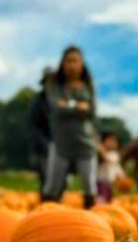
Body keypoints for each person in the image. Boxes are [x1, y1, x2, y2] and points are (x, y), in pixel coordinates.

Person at [42, 46, 98, 208]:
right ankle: (45, 218)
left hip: (85, 143)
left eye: (75, 61)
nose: (72, 65)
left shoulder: (89, 85)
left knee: (89, 185)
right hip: (61, 142)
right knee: (53, 184)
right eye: (68, 61)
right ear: (63, 64)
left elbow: (92, 111)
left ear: (82, 64)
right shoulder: (54, 84)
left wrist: (68, 104)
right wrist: (79, 106)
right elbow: (57, 108)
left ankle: (92, 222)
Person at [28, 67, 54, 192]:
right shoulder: (38, 103)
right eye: (49, 81)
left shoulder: (61, 100)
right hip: (43, 148)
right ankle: (46, 205)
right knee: (46, 179)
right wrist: (46, 145)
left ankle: (57, 207)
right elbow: (34, 127)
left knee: (60, 181)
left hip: (61, 148)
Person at [97, 131, 125, 203]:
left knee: (109, 199)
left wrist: (122, 176)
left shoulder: (114, 154)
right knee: (101, 199)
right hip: (101, 182)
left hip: (110, 183)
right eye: (109, 140)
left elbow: (112, 162)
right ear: (103, 142)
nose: (111, 143)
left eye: (114, 141)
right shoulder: (99, 156)